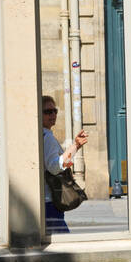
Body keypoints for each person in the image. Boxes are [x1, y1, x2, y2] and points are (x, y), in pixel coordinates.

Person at [42, 95, 87, 234]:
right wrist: (75, 146)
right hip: (50, 200)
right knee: (64, 246)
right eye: (48, 112)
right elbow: (54, 167)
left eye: (54, 111)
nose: (53, 115)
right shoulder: (47, 137)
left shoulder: (44, 135)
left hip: (48, 200)